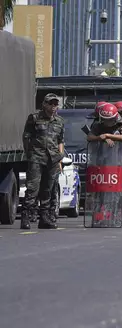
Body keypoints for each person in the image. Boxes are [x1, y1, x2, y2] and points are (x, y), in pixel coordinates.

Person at [21, 93, 65, 230]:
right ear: (44, 104)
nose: (53, 107)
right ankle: (26, 216)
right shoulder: (34, 118)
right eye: (50, 104)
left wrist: (60, 155)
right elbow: (26, 137)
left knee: (48, 189)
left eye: (55, 104)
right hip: (37, 157)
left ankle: (44, 218)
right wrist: (30, 153)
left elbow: (60, 140)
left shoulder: (59, 121)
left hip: (52, 159)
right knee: (33, 188)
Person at [85, 103, 122, 227]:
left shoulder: (121, 125)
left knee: (113, 192)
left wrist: (110, 136)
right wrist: (101, 138)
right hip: (100, 163)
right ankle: (98, 217)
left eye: (109, 120)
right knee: (99, 192)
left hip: (116, 163)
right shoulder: (97, 125)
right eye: (104, 120)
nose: (107, 122)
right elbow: (90, 137)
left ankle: (113, 216)